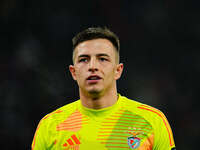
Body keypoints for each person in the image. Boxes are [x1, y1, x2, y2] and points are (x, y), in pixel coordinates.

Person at [31, 27, 176, 150]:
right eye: (84, 59)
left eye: (102, 59)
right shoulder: (50, 126)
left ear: (118, 70)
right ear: (73, 72)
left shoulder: (152, 121)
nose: (93, 66)